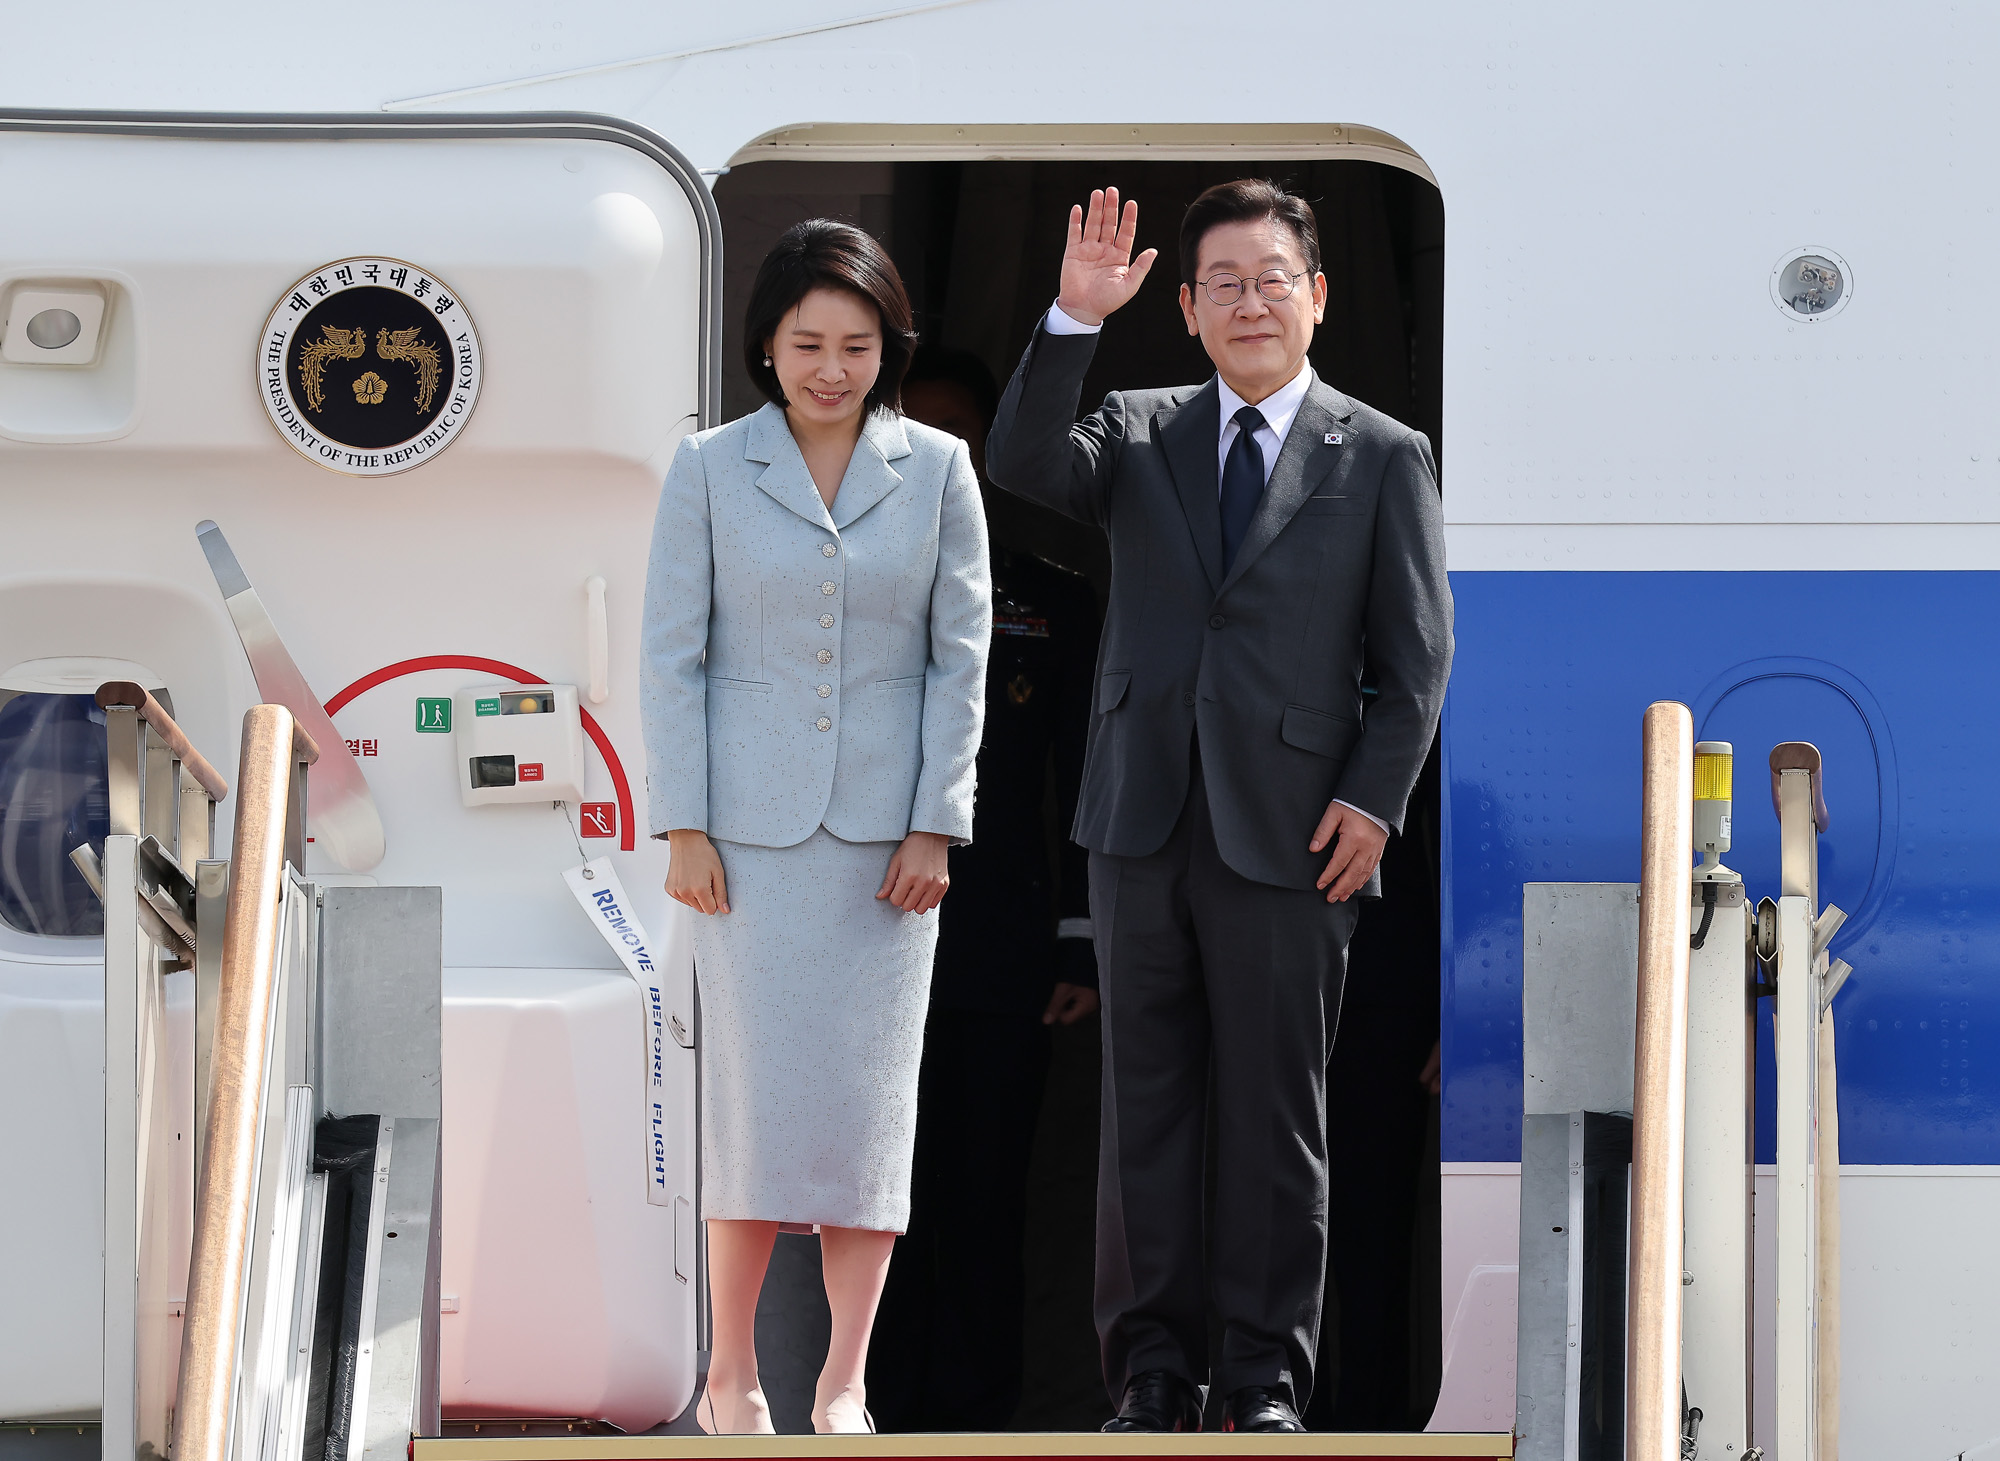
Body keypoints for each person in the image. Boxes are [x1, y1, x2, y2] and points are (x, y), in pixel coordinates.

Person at [984, 181, 1453, 1433]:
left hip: (1298, 834)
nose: (1251, 301)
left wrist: (1374, 805)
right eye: (1223, 284)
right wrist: (1074, 319)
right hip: (1139, 820)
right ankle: (1149, 1376)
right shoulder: (1135, 430)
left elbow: (1416, 668)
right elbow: (1019, 461)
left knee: (1273, 1121)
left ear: (1317, 296)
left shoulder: (1381, 453)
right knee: (1144, 1117)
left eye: (1272, 277)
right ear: (1185, 310)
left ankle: (1260, 1383)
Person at [641, 220, 991, 1435]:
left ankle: (842, 1383)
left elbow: (962, 662)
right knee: (747, 1103)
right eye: (806, 343)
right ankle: (729, 1375)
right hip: (741, 844)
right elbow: (672, 657)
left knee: (864, 1109)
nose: (830, 368)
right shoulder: (706, 467)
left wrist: (935, 826)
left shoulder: (940, 468)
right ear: (768, 347)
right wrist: (682, 824)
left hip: (885, 851)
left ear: (887, 346)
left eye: (853, 344)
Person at [866, 347, 1101, 1432]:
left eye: (961, 436)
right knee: (865, 1202)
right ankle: (860, 1412)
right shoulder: (834, 581)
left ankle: (969, 1425)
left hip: (999, 952)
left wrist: (1076, 937)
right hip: (850, 945)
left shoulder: (1050, 600)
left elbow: (1088, 782)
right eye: (917, 432)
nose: (937, 456)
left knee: (984, 1202)